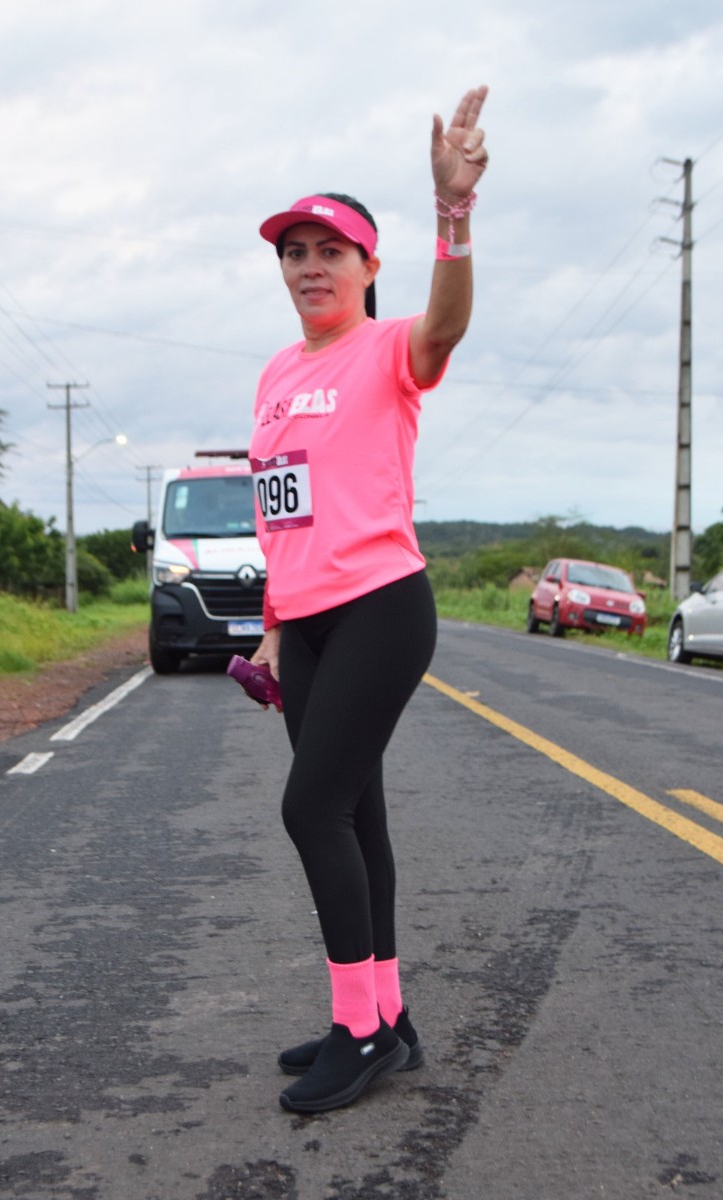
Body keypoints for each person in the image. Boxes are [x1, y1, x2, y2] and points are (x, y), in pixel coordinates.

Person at [248, 85, 489, 1114]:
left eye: (329, 251)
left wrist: (453, 214)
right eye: (294, 252)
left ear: (366, 267)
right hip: (301, 622)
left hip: (382, 606)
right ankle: (383, 1014)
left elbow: (447, 321)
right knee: (356, 816)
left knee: (311, 807)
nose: (309, 267)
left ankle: (360, 1033)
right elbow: (280, 509)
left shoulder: (389, 348)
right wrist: (266, 626)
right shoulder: (270, 373)